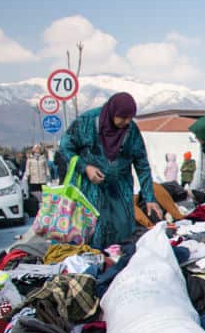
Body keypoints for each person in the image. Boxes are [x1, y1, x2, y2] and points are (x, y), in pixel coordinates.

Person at [58, 92, 162, 248]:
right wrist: (85, 167)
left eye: (130, 117)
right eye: (123, 117)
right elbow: (65, 148)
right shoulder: (86, 122)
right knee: (92, 233)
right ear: (113, 112)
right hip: (90, 190)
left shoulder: (131, 130)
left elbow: (141, 163)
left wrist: (149, 198)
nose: (127, 122)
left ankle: (117, 267)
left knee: (122, 235)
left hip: (120, 192)